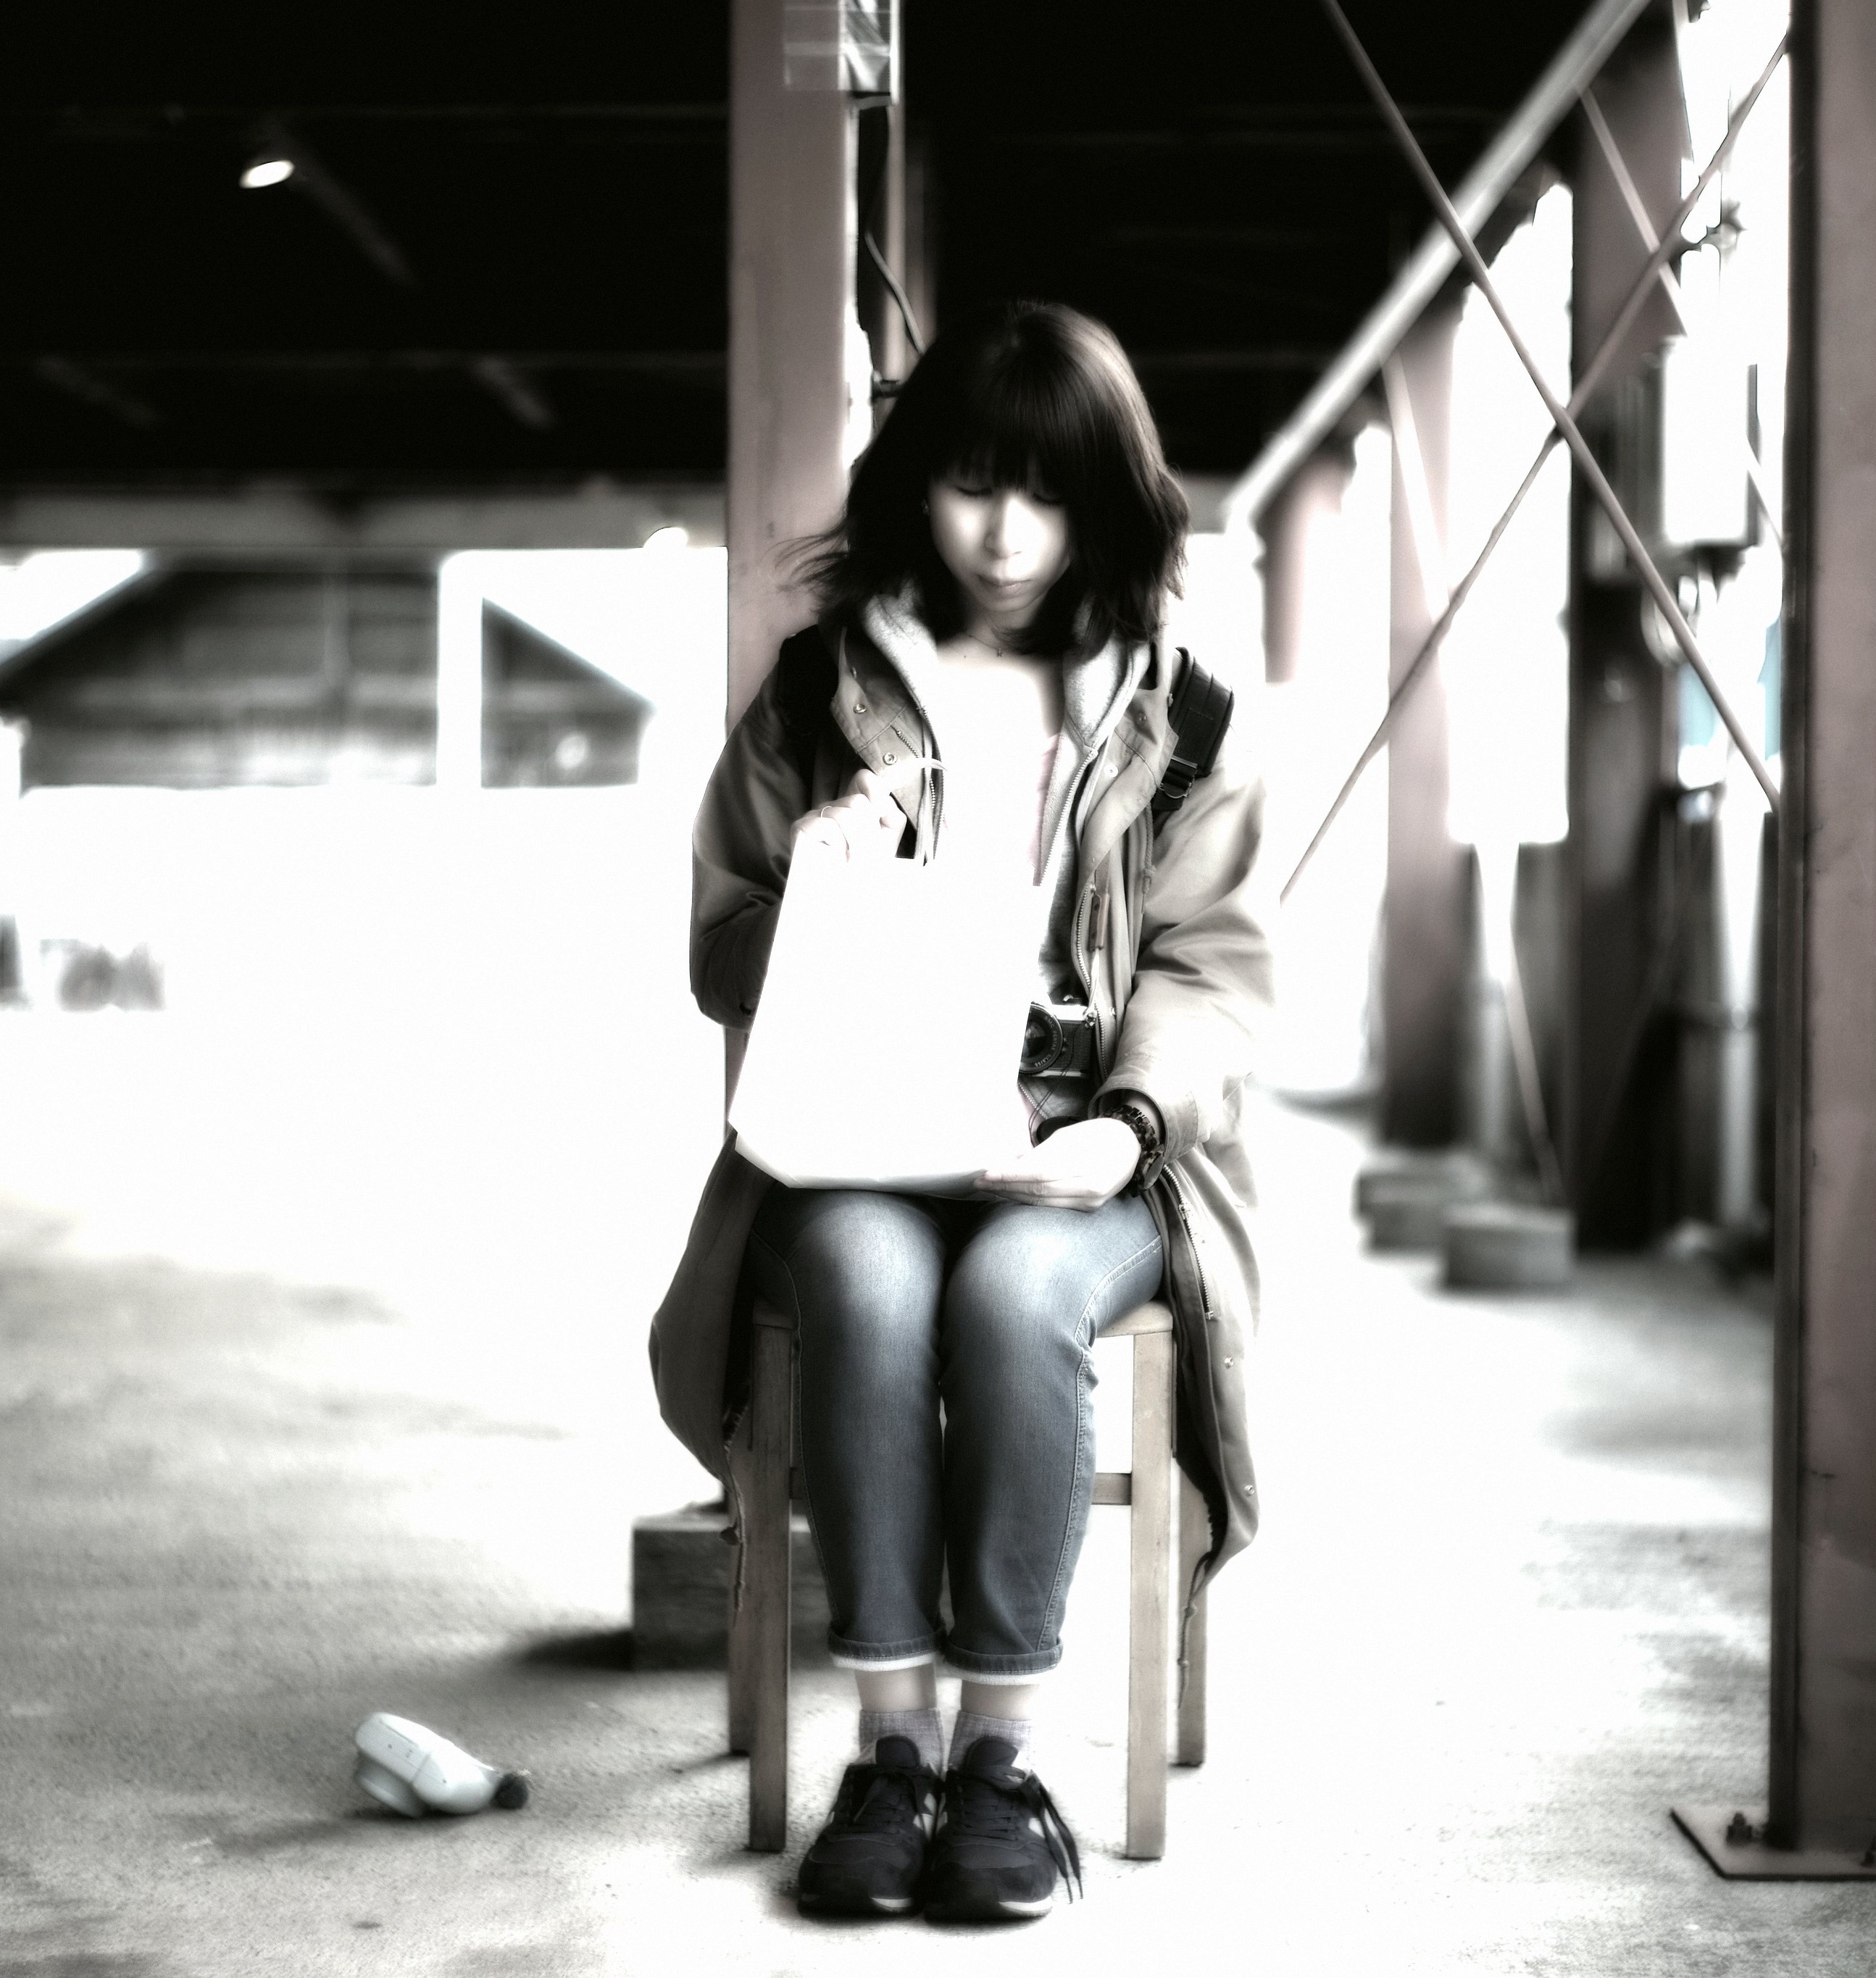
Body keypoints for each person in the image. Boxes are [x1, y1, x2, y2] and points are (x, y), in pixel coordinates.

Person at [651, 301, 1272, 1923]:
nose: (1004, 536)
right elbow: (717, 952)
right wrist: (816, 887)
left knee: (1010, 1299)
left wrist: (1121, 1129)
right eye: (971, 485)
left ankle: (1002, 1761)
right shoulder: (821, 691)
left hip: (1087, 1135)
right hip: (864, 1123)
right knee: (864, 1287)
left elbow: (1211, 969)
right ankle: (892, 1752)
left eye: (1048, 494)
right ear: (912, 485)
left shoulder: (1186, 720)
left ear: (1106, 503)